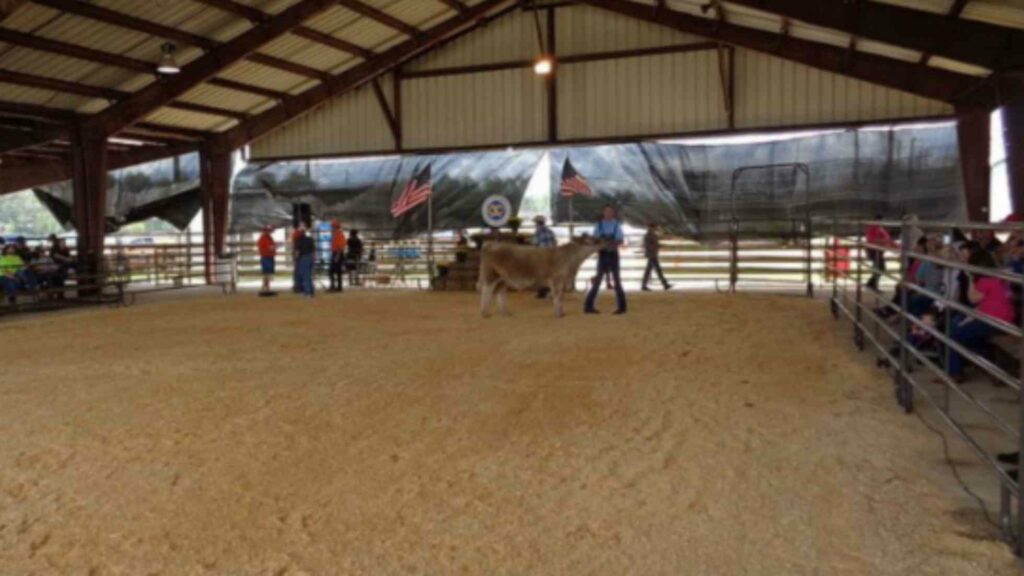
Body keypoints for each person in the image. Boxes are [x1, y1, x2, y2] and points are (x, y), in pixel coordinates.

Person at [946, 250, 1015, 381]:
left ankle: (955, 372)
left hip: (993, 321)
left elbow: (973, 299)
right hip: (1005, 318)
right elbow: (988, 302)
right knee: (958, 325)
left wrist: (970, 278)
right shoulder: (998, 276)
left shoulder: (985, 280)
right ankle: (979, 360)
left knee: (952, 334)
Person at [585, 205, 627, 315]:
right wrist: (604, 243)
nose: (608, 213)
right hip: (603, 255)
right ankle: (588, 306)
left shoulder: (616, 225)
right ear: (603, 213)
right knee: (598, 280)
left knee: (617, 281)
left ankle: (622, 307)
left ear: (613, 213)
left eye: (610, 211)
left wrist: (611, 243)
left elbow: (621, 239)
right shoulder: (598, 225)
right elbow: (595, 239)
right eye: (607, 211)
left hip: (613, 254)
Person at [641, 223, 672, 292]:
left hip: (652, 254)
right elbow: (648, 246)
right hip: (652, 255)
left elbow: (653, 244)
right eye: (654, 227)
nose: (655, 229)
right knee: (656, 270)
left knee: (650, 270)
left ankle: (644, 285)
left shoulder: (651, 235)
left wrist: (658, 245)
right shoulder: (648, 236)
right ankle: (665, 284)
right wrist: (657, 246)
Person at [864, 217, 892, 292]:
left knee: (879, 268)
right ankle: (873, 284)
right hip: (875, 251)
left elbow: (887, 239)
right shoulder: (873, 229)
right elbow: (872, 240)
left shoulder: (880, 228)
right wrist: (883, 241)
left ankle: (871, 283)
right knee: (880, 268)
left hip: (879, 251)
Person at [533, 215, 557, 299]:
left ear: (537, 223)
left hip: (542, 255)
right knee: (550, 274)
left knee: (541, 274)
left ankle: (542, 292)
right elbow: (555, 243)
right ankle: (550, 291)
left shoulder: (538, 232)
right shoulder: (550, 231)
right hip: (551, 255)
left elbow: (535, 244)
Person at [294, 227, 316, 298]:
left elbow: (297, 252)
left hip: (303, 258)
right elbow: (313, 250)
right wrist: (313, 260)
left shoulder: (298, 241)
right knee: (309, 275)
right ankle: (311, 291)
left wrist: (296, 260)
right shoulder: (310, 239)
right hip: (310, 258)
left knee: (305, 276)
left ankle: (308, 292)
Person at [257, 225, 277, 294]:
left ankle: (265, 287)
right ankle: (265, 287)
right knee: (266, 273)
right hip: (266, 256)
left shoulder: (268, 238)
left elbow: (272, 246)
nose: (270, 232)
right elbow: (270, 247)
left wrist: (274, 247)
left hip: (269, 256)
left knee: (267, 273)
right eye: (269, 230)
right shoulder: (264, 238)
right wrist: (274, 247)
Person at [329, 219, 347, 292]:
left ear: (335, 227)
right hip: (336, 253)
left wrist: (337, 256)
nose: (331, 228)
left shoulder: (338, 235)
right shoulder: (337, 234)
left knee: (332, 271)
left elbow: (340, 247)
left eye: (332, 227)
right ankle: (338, 287)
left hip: (337, 254)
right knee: (336, 271)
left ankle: (334, 287)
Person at [291, 224, 306, 293]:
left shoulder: (296, 234)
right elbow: (296, 245)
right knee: (298, 270)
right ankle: (298, 286)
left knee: (299, 270)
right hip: (299, 253)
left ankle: (299, 285)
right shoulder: (297, 234)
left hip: (300, 253)